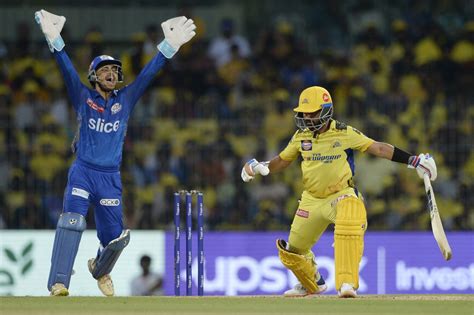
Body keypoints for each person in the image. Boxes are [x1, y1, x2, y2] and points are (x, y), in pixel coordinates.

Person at [34, 9, 196, 297]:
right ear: (94, 76)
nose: (111, 73)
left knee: (116, 239)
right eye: (105, 70)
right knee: (72, 221)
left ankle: (100, 269)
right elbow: (66, 70)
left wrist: (168, 47)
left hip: (110, 177)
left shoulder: (126, 99)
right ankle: (58, 283)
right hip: (83, 172)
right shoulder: (83, 96)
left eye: (114, 70)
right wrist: (55, 41)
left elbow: (148, 74)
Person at [241, 86, 437, 298]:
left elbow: (379, 148)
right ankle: (312, 282)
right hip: (311, 199)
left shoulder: (344, 133)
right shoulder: (301, 136)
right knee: (293, 251)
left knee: (350, 213)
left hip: (340, 195)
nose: (306, 117)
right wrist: (262, 166)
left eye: (312, 112)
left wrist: (414, 161)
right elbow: (282, 161)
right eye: (304, 113)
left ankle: (347, 284)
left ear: (326, 110)